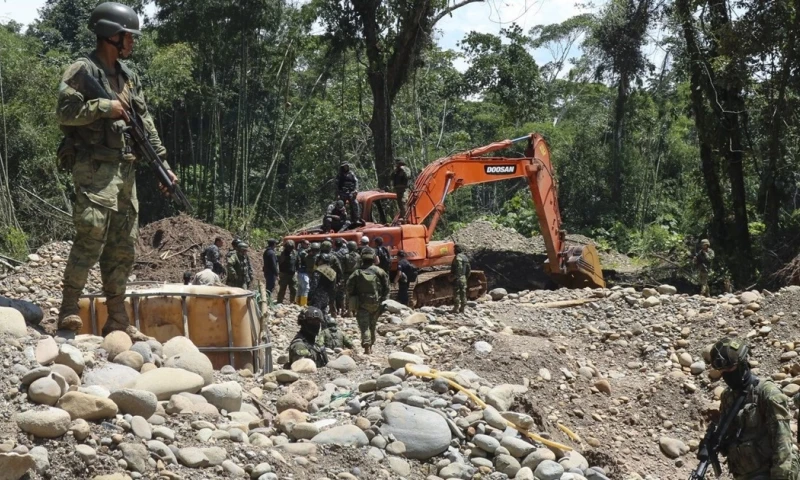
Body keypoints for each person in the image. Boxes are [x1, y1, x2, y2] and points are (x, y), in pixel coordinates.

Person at [55, 2, 179, 341]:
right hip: (94, 167)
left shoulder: (128, 75)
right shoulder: (82, 70)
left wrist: (162, 164)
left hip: (125, 169)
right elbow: (64, 112)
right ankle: (68, 309)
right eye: (129, 36)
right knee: (91, 236)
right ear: (112, 35)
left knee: (124, 245)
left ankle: (117, 317)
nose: (133, 42)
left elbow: (144, 120)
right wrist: (104, 107)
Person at [707, 337, 799, 479]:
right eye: (722, 370)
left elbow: (783, 444)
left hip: (770, 472)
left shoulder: (767, 393)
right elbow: (733, 437)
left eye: (730, 368)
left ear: (743, 364)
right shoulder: (728, 397)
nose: (726, 374)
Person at [347, 250, 390, 354]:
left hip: (362, 302)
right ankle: (371, 345)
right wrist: (383, 298)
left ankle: (367, 346)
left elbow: (349, 287)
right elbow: (387, 286)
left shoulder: (357, 272)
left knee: (364, 325)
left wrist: (353, 297)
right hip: (376, 302)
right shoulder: (379, 271)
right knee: (373, 324)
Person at [450, 244, 471, 314]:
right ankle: (462, 308)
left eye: (454, 249)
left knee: (457, 293)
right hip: (463, 278)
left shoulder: (457, 257)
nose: (454, 251)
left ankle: (456, 308)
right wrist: (465, 277)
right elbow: (468, 269)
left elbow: (458, 268)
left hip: (458, 278)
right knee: (463, 293)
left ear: (457, 250)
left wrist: (454, 277)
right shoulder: (465, 257)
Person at [277, 240, 298, 304]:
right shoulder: (281, 254)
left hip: (292, 274)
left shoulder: (295, 253)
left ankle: (292, 302)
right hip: (284, 274)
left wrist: (296, 270)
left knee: (294, 289)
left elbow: (297, 262)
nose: (290, 249)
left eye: (291, 248)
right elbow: (277, 263)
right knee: (282, 289)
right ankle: (279, 302)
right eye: (289, 247)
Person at [296, 240, 310, 306]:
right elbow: (307, 258)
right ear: (302, 244)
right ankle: (303, 304)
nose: (308, 245)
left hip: (301, 272)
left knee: (300, 288)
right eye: (307, 244)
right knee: (305, 288)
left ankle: (298, 303)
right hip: (303, 272)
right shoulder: (302, 252)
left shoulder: (301, 251)